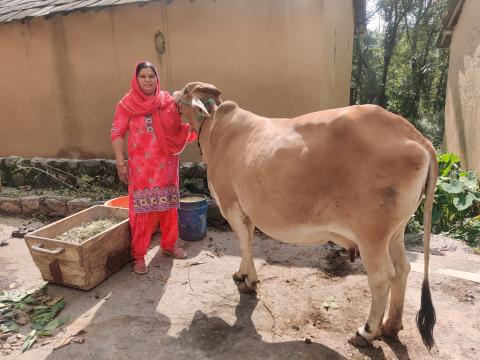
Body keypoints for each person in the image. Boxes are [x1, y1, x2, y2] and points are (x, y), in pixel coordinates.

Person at [111, 61, 196, 274]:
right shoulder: (127, 104)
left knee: (168, 207)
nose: (148, 80)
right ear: (136, 79)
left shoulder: (168, 101)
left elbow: (179, 127)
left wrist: (196, 126)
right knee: (141, 212)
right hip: (141, 169)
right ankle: (138, 254)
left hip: (166, 165)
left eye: (151, 76)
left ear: (157, 79)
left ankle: (168, 245)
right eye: (143, 76)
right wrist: (121, 163)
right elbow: (117, 133)